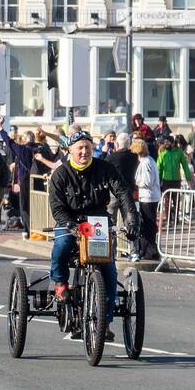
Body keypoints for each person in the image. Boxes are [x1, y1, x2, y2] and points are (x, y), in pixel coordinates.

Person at [47, 130, 140, 343]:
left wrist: (132, 221)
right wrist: (70, 225)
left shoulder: (105, 168)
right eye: (79, 148)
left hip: (98, 221)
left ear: (92, 149)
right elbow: (57, 207)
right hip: (70, 221)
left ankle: (104, 323)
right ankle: (60, 284)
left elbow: (123, 193)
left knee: (108, 268)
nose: (84, 152)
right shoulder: (60, 174)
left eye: (87, 147)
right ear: (70, 150)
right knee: (62, 245)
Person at [132, 139, 161, 260]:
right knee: (149, 224)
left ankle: (150, 251)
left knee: (148, 225)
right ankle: (148, 250)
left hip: (148, 197)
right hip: (151, 196)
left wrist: (137, 182)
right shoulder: (150, 160)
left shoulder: (145, 163)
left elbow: (148, 181)